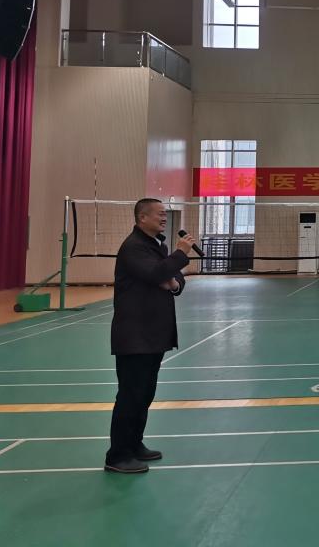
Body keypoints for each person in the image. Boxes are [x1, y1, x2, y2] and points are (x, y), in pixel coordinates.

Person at [106, 198, 197, 474]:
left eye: (165, 214)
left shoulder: (157, 246)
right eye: (159, 214)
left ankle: (134, 444)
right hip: (135, 335)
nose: (164, 218)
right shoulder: (133, 247)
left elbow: (173, 277)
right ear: (142, 218)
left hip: (153, 334)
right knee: (131, 395)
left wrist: (173, 282)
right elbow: (158, 272)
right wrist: (180, 254)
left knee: (145, 394)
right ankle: (117, 455)